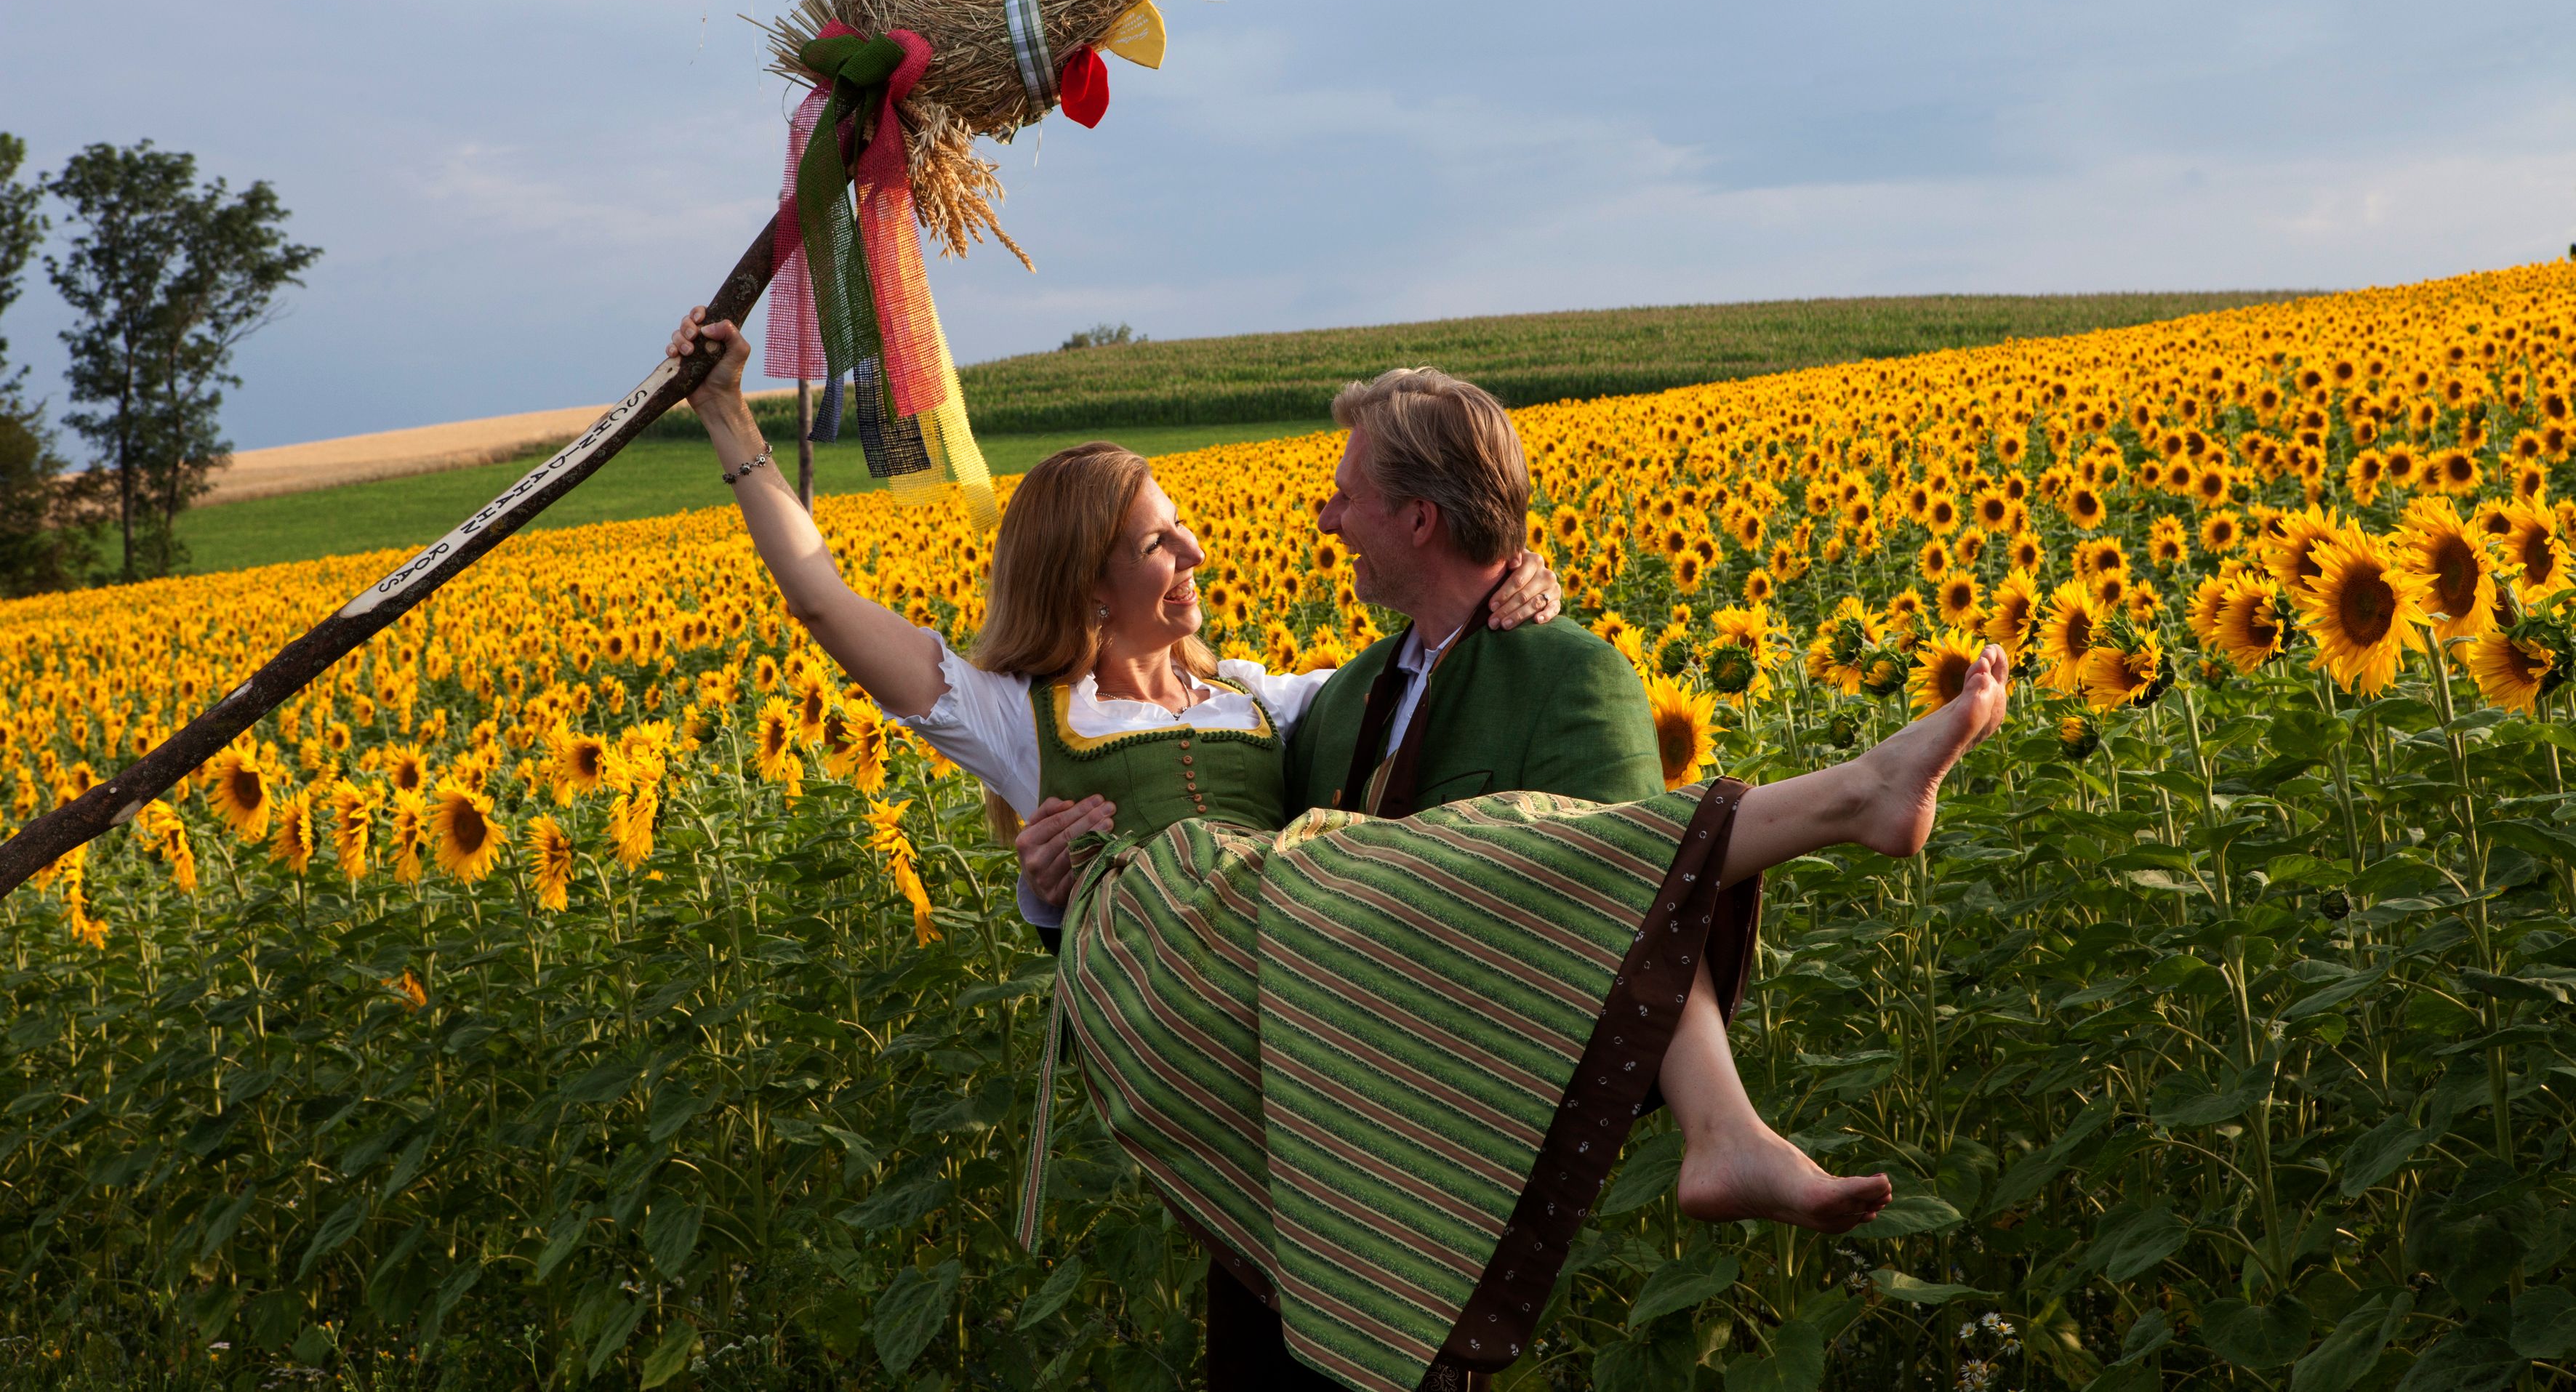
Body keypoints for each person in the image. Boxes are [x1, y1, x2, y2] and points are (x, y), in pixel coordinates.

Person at [667, 313, 2011, 1392]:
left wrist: (1510, 594)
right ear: (1090, 582)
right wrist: (733, 421)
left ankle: (1844, 830)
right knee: (1388, 862)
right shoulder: (1029, 722)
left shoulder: (1267, 694)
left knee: (1503, 853)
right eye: (1159, 539)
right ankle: (1847, 799)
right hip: (1203, 1007)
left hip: (1309, 1027)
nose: (1202, 547)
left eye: (1185, 525)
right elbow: (825, 598)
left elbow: (1420, 675)